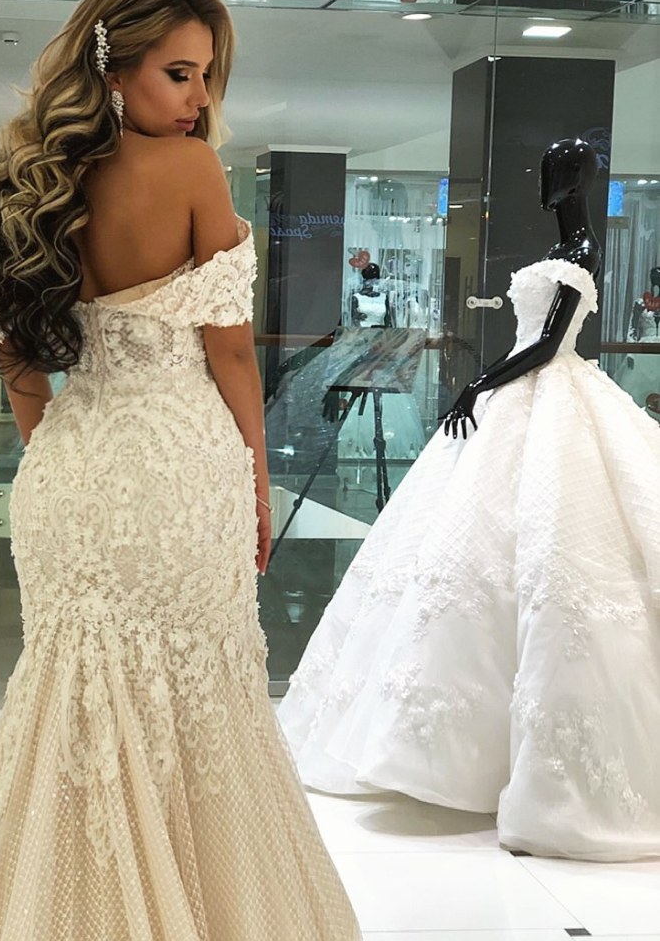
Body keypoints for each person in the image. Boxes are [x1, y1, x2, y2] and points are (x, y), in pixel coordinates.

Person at [0, 0, 367, 941]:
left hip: (71, 473)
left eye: (207, 77)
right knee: (198, 701)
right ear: (112, 70)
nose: (199, 99)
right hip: (178, 471)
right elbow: (232, 354)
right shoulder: (191, 169)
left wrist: (58, 452)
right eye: (179, 73)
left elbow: (17, 360)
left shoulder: (23, 186)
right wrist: (255, 481)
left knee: (70, 703)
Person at [278, 137, 660, 862]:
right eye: (544, 168)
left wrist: (479, 383)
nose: (544, 179)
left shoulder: (582, 248)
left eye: (558, 169)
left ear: (579, 179)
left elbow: (548, 346)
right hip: (516, 399)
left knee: (550, 545)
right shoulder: (563, 245)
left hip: (548, 396)